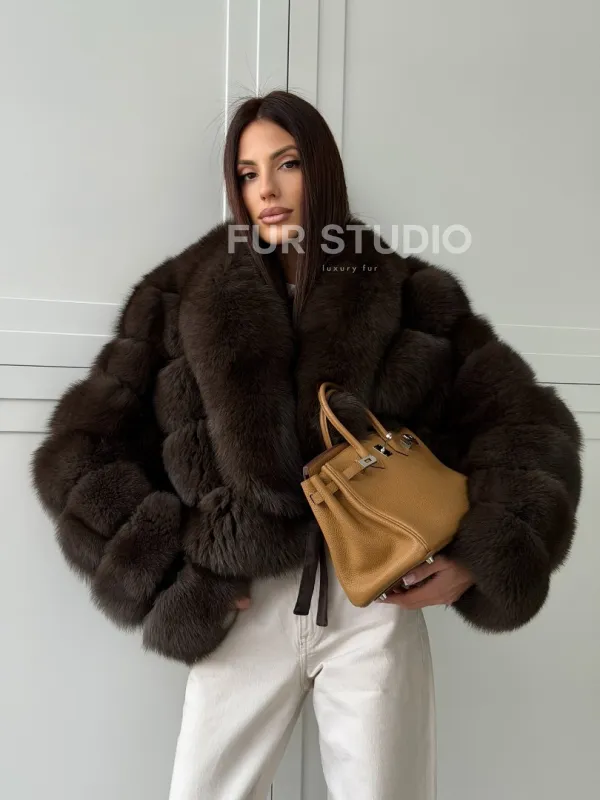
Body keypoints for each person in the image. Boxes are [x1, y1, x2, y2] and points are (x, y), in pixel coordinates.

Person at [31, 90, 582, 800]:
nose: (266, 189)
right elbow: (80, 451)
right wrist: (172, 572)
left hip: (375, 606)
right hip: (244, 603)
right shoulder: (179, 296)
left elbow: (528, 430)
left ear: (321, 169)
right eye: (247, 172)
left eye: (286, 164)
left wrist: (479, 559)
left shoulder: (409, 295)